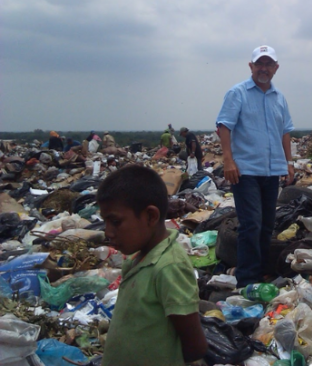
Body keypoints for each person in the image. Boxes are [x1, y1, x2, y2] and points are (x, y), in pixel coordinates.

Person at [97, 166, 207, 366]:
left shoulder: (168, 267)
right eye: (105, 222)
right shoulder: (138, 259)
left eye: (115, 221)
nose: (108, 232)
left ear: (150, 216)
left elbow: (196, 346)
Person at [215, 45, 294, 288]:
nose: (263, 68)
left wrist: (289, 163)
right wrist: (228, 160)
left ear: (276, 68)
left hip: (271, 171)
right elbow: (224, 126)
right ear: (251, 67)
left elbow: (286, 132)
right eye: (259, 64)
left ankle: (259, 272)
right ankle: (247, 279)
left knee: (267, 224)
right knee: (251, 224)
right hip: (245, 170)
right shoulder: (237, 93)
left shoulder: (279, 98)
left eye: (268, 64)